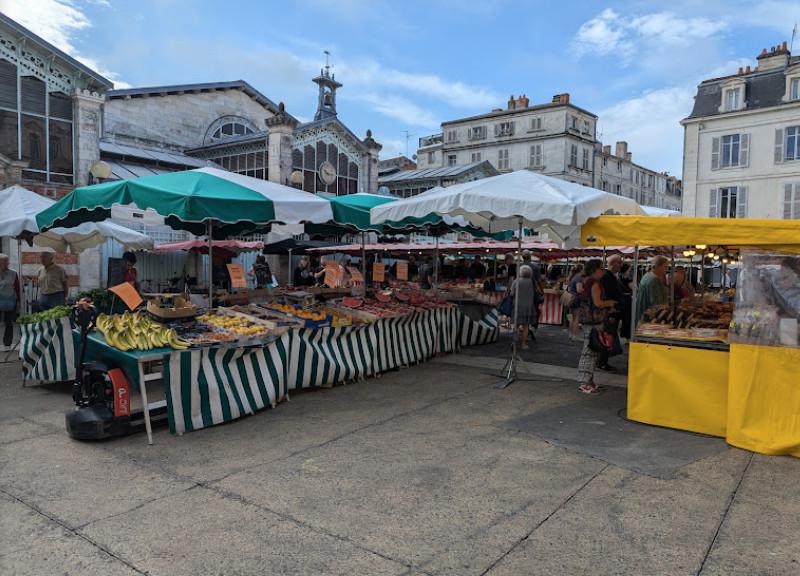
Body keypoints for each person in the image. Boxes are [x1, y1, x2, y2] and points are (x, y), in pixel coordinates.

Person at [576, 259, 617, 394]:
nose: (603, 271)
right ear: (594, 270)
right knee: (589, 352)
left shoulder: (587, 281)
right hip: (593, 321)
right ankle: (584, 382)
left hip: (590, 321)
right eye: (601, 268)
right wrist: (610, 302)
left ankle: (589, 381)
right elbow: (598, 303)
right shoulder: (594, 284)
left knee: (592, 352)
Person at [596, 255, 626, 372]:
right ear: (612, 264)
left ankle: (603, 361)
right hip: (610, 312)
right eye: (619, 263)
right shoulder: (607, 277)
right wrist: (612, 312)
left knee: (609, 337)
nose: (621, 265)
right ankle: (601, 362)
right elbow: (608, 295)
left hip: (612, 311)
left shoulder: (611, 276)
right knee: (607, 337)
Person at [634, 255, 670, 324]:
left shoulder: (647, 276)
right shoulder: (654, 280)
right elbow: (656, 303)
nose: (667, 269)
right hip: (648, 318)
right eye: (665, 267)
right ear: (658, 266)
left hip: (641, 315)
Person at [510, 265, 536, 350]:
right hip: (528, 306)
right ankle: (523, 344)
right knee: (526, 326)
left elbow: (511, 293)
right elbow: (537, 291)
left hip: (518, 305)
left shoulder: (516, 281)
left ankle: (514, 341)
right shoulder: (532, 282)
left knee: (516, 325)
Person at [0, 254, 20, 349]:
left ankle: (7, 343)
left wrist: (19, 300)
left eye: (7, 261)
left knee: (8, 322)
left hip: (10, 300)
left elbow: (17, 287)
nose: (7, 263)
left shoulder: (13, 273)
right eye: (5, 261)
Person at [565, 263, 584, 340]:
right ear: (581, 270)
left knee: (572, 317)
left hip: (571, 298)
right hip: (576, 299)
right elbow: (579, 290)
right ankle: (575, 335)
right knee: (576, 318)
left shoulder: (573, 277)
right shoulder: (578, 278)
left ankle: (571, 334)